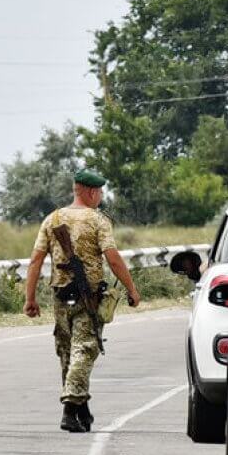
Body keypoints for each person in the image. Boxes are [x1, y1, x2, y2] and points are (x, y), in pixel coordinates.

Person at [24, 170, 141, 433]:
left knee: (67, 352)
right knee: (84, 350)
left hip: (60, 295)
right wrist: (131, 288)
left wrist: (29, 298)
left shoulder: (52, 218)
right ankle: (69, 409)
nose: (101, 196)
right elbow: (112, 257)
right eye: (99, 192)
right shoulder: (97, 220)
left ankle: (81, 409)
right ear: (90, 191)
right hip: (88, 296)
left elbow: (35, 261)